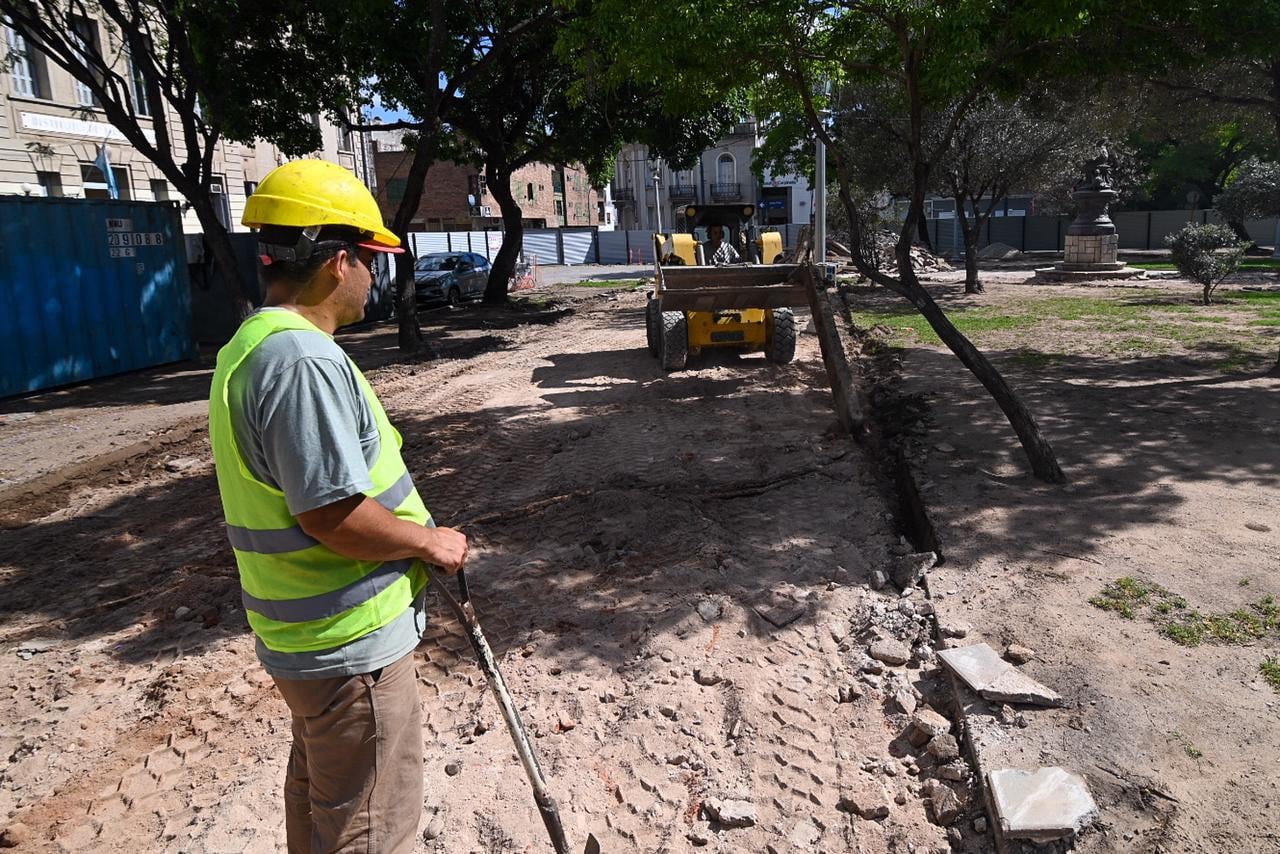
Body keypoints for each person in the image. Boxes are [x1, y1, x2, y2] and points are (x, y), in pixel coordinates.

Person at [207, 159, 468, 853]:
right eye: (371, 262)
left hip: (311, 644)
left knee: (326, 803)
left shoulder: (252, 346)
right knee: (371, 826)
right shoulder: (302, 361)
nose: (374, 279)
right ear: (339, 262)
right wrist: (426, 542)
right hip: (350, 645)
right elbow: (331, 515)